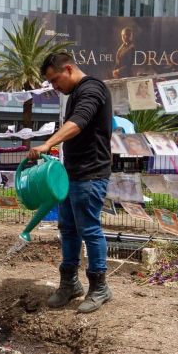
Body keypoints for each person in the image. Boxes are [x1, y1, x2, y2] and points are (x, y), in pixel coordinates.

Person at [29, 52, 113, 313]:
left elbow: (78, 123)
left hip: (91, 173)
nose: (55, 87)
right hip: (72, 173)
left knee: (89, 229)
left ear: (68, 69)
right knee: (67, 228)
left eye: (55, 80)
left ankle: (100, 287)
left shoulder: (92, 89)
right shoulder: (74, 94)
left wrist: (48, 143)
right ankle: (70, 284)